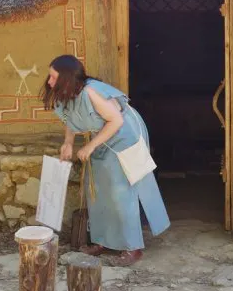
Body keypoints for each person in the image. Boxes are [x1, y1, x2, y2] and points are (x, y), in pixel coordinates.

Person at [43, 54, 170, 266]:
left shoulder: (91, 92)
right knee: (97, 189)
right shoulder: (66, 94)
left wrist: (90, 146)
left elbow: (116, 120)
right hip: (102, 138)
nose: (49, 82)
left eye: (53, 77)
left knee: (121, 191)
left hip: (123, 137)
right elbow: (70, 118)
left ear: (65, 78)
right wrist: (68, 142)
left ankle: (132, 248)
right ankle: (102, 241)